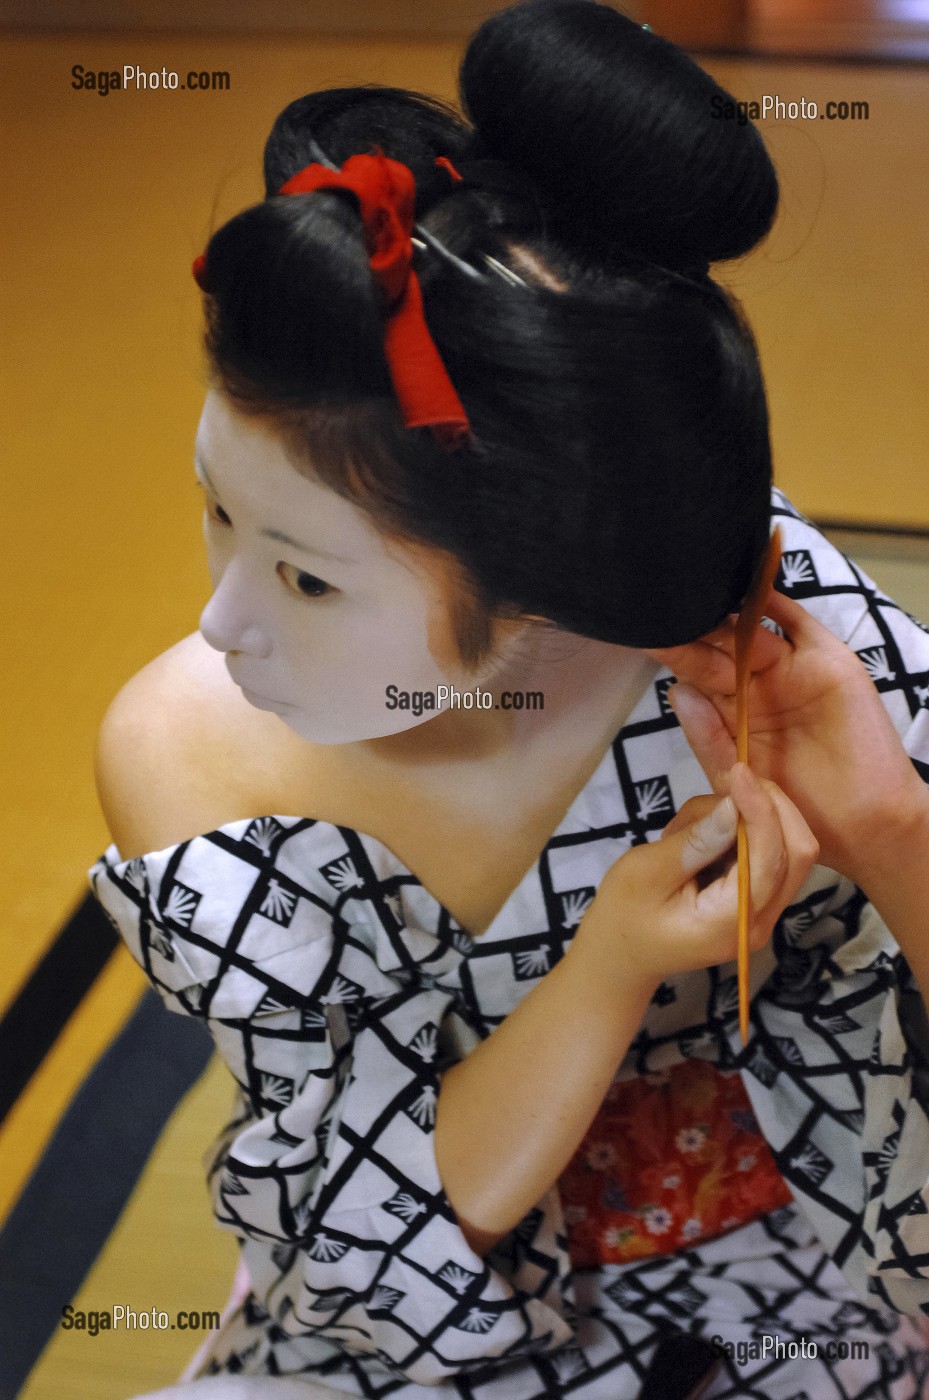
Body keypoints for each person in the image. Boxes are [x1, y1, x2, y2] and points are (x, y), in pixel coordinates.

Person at [89, 2, 929, 1395]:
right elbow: (373, 1247)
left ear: (552, 586)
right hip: (430, 1287)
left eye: (305, 580)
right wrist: (603, 970)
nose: (216, 622)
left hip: (797, 1227)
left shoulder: (757, 624)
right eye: (216, 513)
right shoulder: (191, 755)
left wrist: (891, 829)